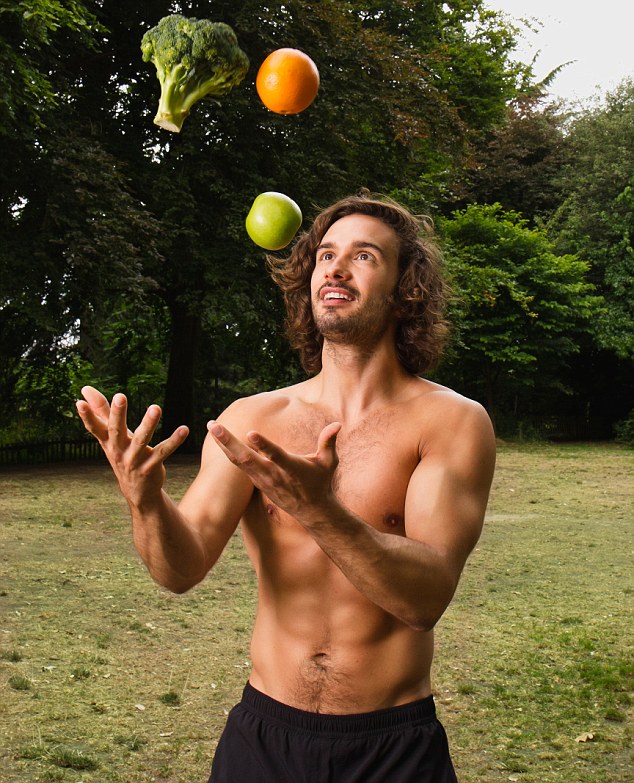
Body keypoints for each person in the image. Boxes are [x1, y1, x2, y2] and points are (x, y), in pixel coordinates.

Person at [76, 193, 496, 782]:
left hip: (392, 747)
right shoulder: (254, 419)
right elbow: (179, 569)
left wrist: (319, 510)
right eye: (325, 255)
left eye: (365, 256)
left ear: (408, 289)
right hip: (265, 738)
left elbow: (424, 599)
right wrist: (144, 501)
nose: (335, 268)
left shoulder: (451, 422)